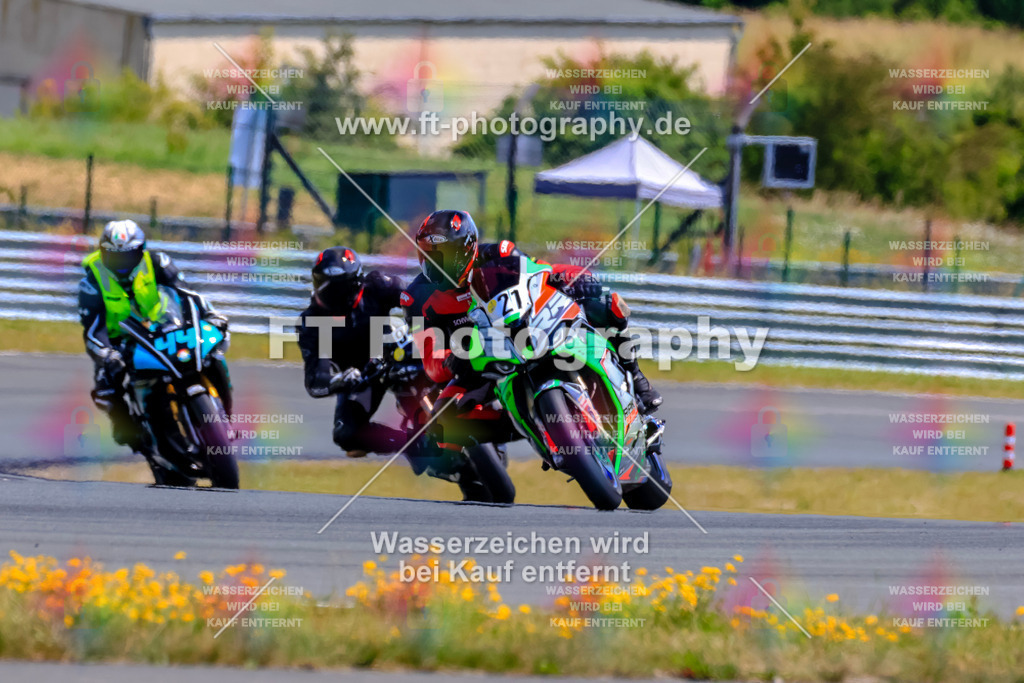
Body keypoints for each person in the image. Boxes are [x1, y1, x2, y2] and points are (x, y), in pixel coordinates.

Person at [400, 209, 662, 450]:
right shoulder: (416, 298)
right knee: (442, 427)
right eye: (428, 256)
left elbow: (542, 271)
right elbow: (430, 358)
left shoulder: (499, 254)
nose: (435, 264)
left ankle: (637, 380)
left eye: (442, 255)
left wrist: (573, 277)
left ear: (466, 248)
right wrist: (450, 360)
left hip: (525, 331)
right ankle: (533, 426)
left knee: (608, 304)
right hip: (478, 362)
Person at [78, 219, 231, 455]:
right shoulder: (92, 281)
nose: (122, 262)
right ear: (103, 252)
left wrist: (211, 315)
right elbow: (92, 329)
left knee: (212, 354)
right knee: (106, 388)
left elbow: (186, 292)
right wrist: (106, 354)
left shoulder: (157, 261)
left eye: (128, 255)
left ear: (141, 250)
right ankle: (131, 431)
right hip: (121, 342)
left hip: (164, 327)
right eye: (115, 255)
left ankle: (225, 417)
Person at [297, 246, 413, 455]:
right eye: (321, 284)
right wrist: (339, 381)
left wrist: (418, 327)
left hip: (398, 354)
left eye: (335, 288)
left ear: (355, 284)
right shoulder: (312, 321)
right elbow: (316, 380)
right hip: (362, 377)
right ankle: (413, 444)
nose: (327, 293)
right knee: (346, 435)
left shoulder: (377, 285)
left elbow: (416, 298)